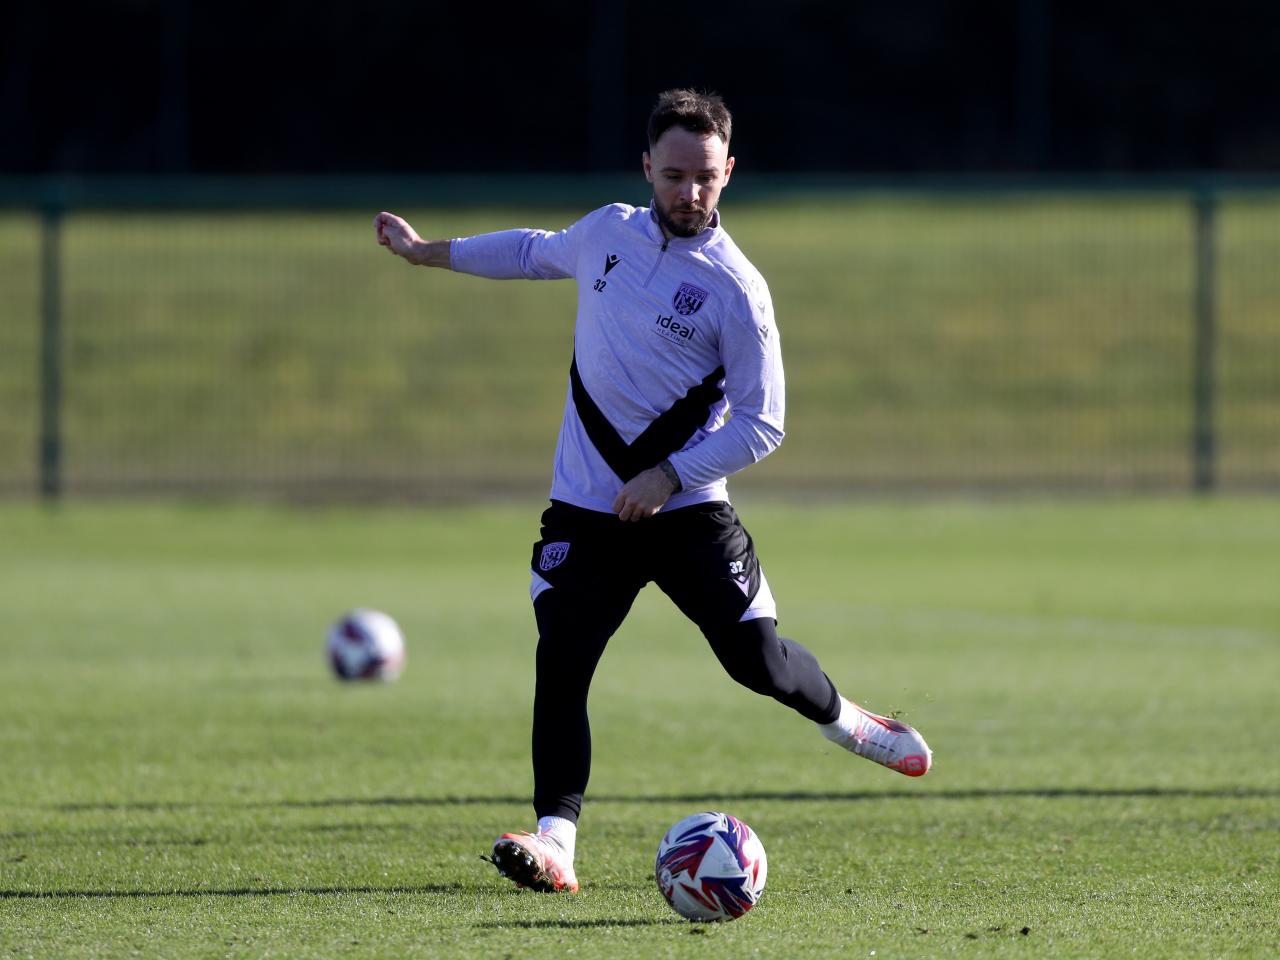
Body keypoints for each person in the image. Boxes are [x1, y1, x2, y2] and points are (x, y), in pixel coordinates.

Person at [373, 89, 931, 895]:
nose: (689, 192)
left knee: (758, 662)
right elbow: (533, 251)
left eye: (705, 176)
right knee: (563, 660)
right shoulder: (607, 233)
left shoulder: (738, 289)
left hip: (688, 509)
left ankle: (849, 723)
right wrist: (429, 252)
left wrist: (669, 475)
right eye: (673, 175)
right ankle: (556, 842)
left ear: (729, 171)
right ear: (646, 168)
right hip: (587, 508)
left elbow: (765, 424)